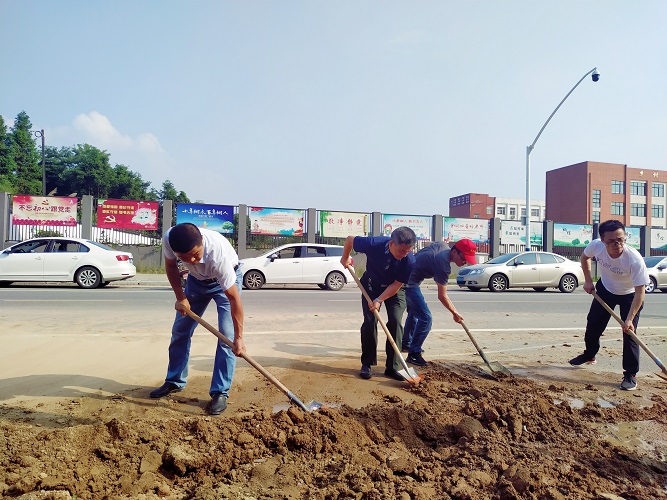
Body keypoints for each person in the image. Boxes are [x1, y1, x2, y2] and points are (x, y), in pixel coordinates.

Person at [150, 223, 245, 414]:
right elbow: (170, 266)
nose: (192, 261)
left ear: (202, 240)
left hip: (224, 283)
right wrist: (180, 297)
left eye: (195, 254)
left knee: (227, 338)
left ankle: (220, 392)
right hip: (196, 282)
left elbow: (234, 299)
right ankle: (174, 380)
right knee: (180, 331)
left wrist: (239, 337)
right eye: (184, 258)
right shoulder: (169, 239)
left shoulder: (218, 255)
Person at [569, 219, 649, 391]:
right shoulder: (596, 246)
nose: (616, 244)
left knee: (630, 334)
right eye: (611, 241)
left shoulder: (634, 260)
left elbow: (640, 293)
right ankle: (590, 355)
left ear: (625, 237)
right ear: (602, 240)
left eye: (620, 239)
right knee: (593, 325)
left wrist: (629, 319)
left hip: (630, 295)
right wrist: (588, 280)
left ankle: (630, 374)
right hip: (605, 289)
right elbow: (584, 258)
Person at [340, 226, 417, 381]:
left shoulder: (409, 261)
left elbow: (396, 285)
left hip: (394, 290)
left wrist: (379, 300)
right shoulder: (374, 243)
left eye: (408, 251)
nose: (404, 255)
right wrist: (345, 257)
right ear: (392, 243)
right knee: (370, 321)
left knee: (396, 321)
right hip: (370, 285)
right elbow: (350, 240)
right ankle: (367, 364)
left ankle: (393, 367)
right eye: (402, 251)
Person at [402, 239, 477, 366]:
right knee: (426, 318)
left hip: (407, 275)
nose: (465, 263)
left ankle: (407, 344)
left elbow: (431, 245)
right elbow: (442, 296)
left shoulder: (443, 246)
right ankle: (414, 354)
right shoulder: (443, 265)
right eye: (464, 258)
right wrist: (455, 313)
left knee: (415, 312)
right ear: (454, 252)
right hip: (407, 283)